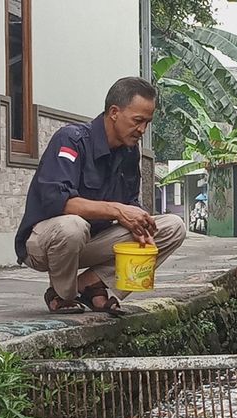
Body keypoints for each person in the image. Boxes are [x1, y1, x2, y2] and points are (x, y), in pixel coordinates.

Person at [14, 77, 186, 315]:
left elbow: (129, 205)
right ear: (114, 112)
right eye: (137, 121)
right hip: (46, 245)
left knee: (172, 226)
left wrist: (139, 226)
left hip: (92, 243)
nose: (142, 130)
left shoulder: (129, 153)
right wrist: (117, 210)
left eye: (147, 122)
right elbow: (56, 200)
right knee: (72, 226)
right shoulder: (71, 140)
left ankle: (94, 284)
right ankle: (62, 294)